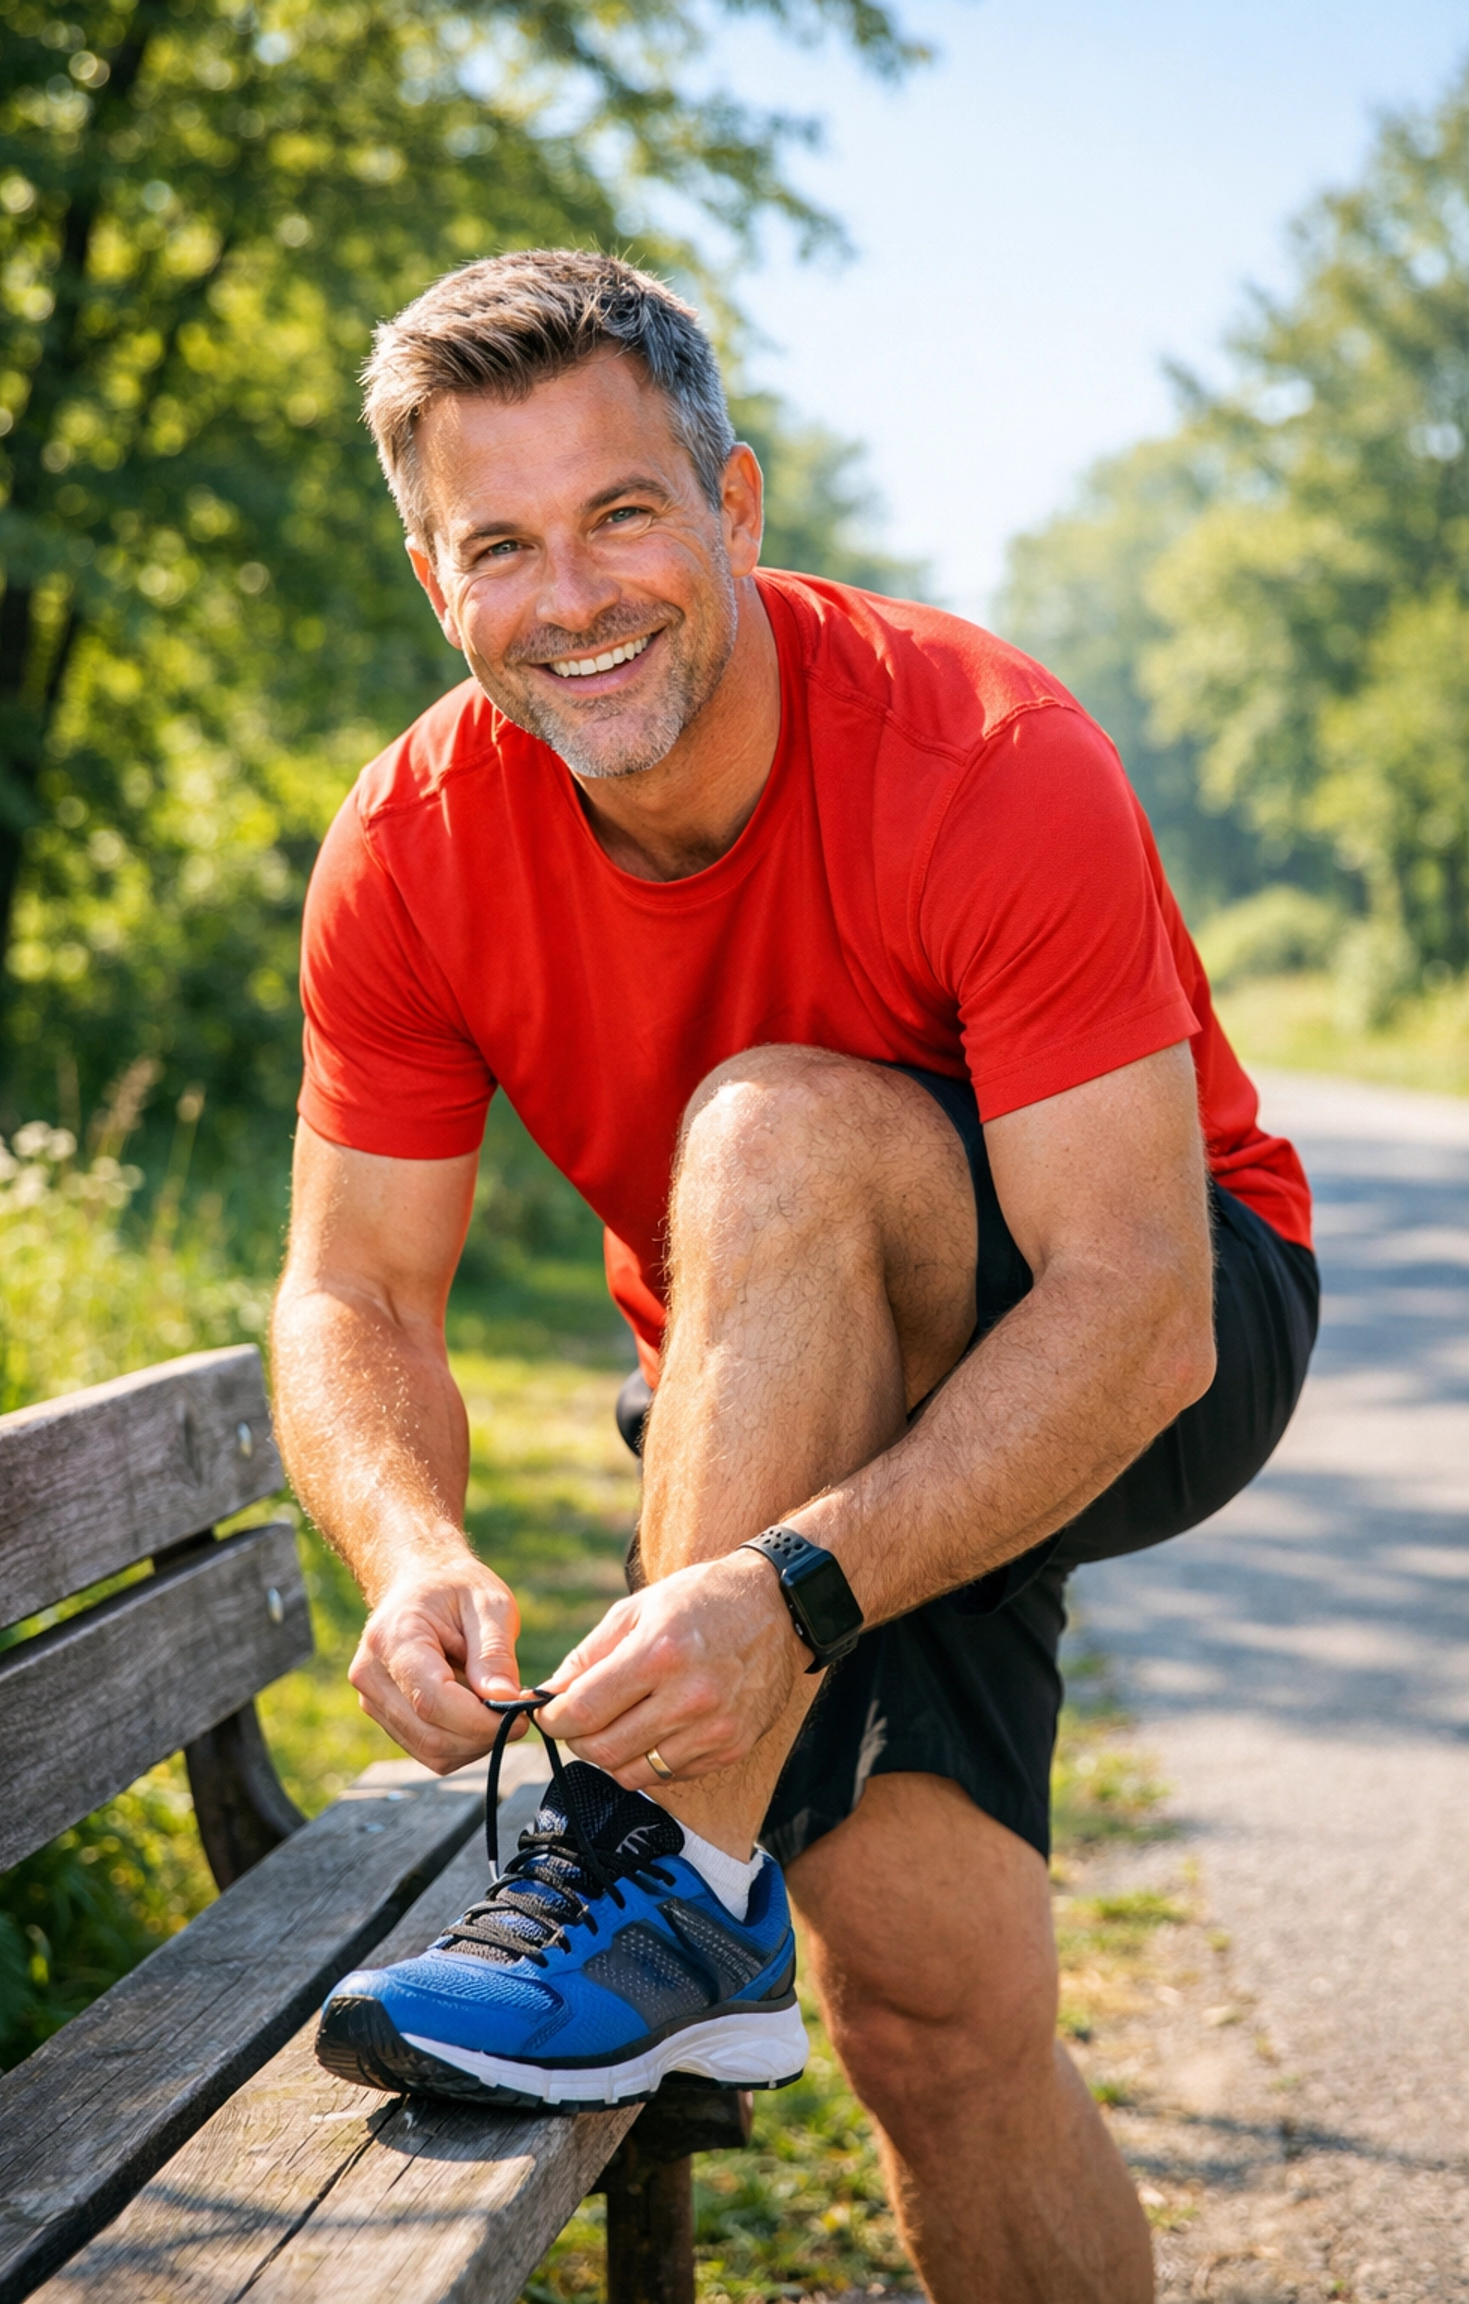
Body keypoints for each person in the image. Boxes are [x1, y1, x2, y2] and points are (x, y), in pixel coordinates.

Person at [270, 248, 1317, 2304]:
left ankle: (659, 1872)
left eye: (624, 514)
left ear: (734, 508)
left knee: (777, 1125)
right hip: (784, 1370)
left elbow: (1142, 1302)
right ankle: (699, 1906)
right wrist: (403, 1547)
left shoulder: (990, 752)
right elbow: (353, 1298)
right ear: (433, 581)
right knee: (932, 2020)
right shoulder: (406, 848)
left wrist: (794, 1588)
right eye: (501, 545)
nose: (571, 596)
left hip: (1161, 1306)